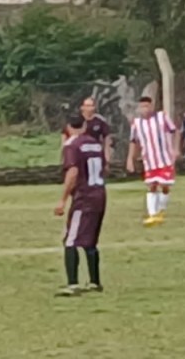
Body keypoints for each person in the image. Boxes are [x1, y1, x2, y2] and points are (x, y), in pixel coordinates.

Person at [54, 115, 107, 297]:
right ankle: (94, 281)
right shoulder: (95, 143)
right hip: (99, 194)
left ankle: (73, 284)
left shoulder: (72, 145)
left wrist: (63, 199)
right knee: (90, 240)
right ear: (84, 126)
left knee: (71, 240)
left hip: (84, 197)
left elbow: (73, 171)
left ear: (68, 127)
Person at [126, 97, 179, 227]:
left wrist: (175, 149)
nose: (145, 109)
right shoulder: (137, 123)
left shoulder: (162, 117)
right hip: (149, 160)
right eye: (142, 106)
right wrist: (130, 159)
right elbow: (133, 141)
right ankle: (152, 214)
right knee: (151, 185)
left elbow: (175, 131)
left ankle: (161, 210)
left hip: (165, 158)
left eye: (147, 106)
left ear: (152, 106)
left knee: (164, 185)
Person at [78, 98, 112, 169]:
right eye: (87, 106)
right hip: (79, 155)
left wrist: (107, 159)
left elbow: (106, 141)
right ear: (82, 107)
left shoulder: (100, 121)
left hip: (95, 154)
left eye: (91, 106)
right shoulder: (76, 120)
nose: (89, 108)